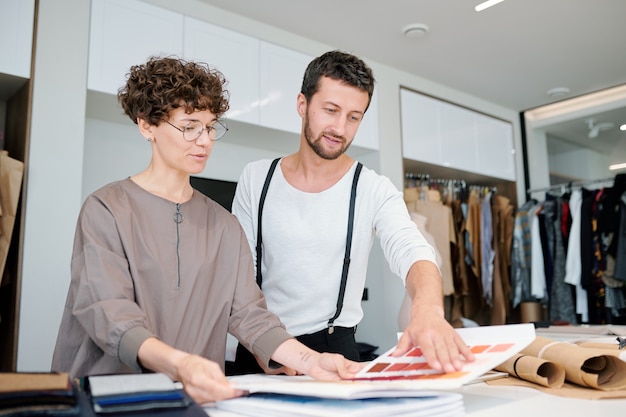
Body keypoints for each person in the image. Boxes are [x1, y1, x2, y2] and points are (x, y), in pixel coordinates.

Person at [51, 56, 362, 404]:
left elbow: (249, 314)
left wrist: (313, 360)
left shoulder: (224, 226)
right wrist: (181, 365)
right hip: (106, 399)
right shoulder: (107, 208)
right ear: (147, 126)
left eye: (211, 126)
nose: (205, 140)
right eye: (190, 126)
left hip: (192, 401)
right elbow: (107, 310)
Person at [231, 50, 475, 375]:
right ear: (302, 104)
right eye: (330, 110)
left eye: (353, 117)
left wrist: (428, 309)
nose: (339, 128)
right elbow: (238, 274)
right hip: (260, 347)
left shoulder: (374, 188)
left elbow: (412, 249)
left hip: (334, 350)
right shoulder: (256, 177)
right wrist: (268, 347)